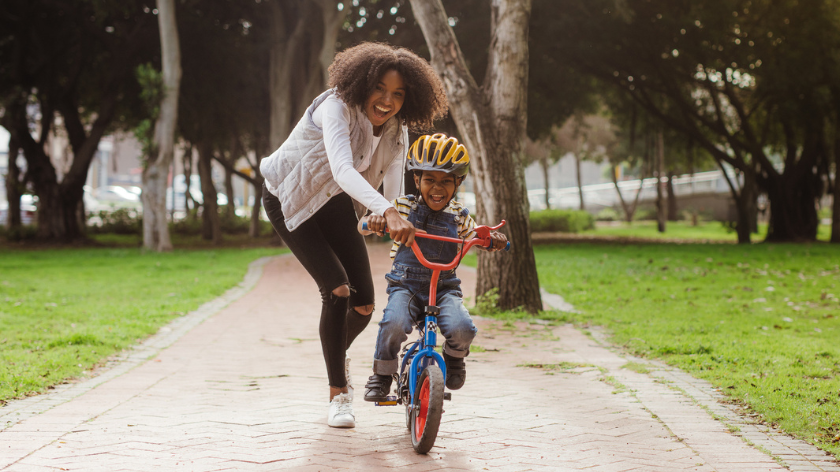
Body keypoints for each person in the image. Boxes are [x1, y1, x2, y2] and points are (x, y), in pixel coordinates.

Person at [259, 42, 448, 428]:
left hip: (332, 204)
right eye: (379, 88)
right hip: (288, 198)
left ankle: (334, 352)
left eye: (398, 94)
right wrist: (387, 211)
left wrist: (391, 212)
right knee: (338, 290)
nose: (386, 100)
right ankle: (338, 394)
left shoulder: (397, 129)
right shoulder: (335, 107)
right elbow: (343, 169)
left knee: (363, 306)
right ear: (362, 82)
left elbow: (394, 183)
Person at [357, 133, 508, 402]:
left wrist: (491, 240)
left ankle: (454, 357)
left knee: (463, 328)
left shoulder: (459, 215)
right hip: (407, 285)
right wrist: (375, 222)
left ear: (458, 182)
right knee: (394, 323)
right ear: (417, 180)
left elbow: (476, 234)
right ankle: (382, 374)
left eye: (446, 181)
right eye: (429, 180)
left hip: (444, 287)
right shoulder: (402, 207)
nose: (437, 188)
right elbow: (364, 225)